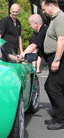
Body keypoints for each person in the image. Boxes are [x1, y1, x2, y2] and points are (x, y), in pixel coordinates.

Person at [41, 0, 64, 130]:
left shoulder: (60, 18)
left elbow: (62, 39)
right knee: (50, 86)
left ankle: (60, 119)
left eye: (44, 9)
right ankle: (57, 116)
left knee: (53, 88)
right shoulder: (55, 19)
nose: (44, 11)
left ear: (51, 5)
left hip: (57, 57)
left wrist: (56, 59)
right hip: (53, 57)